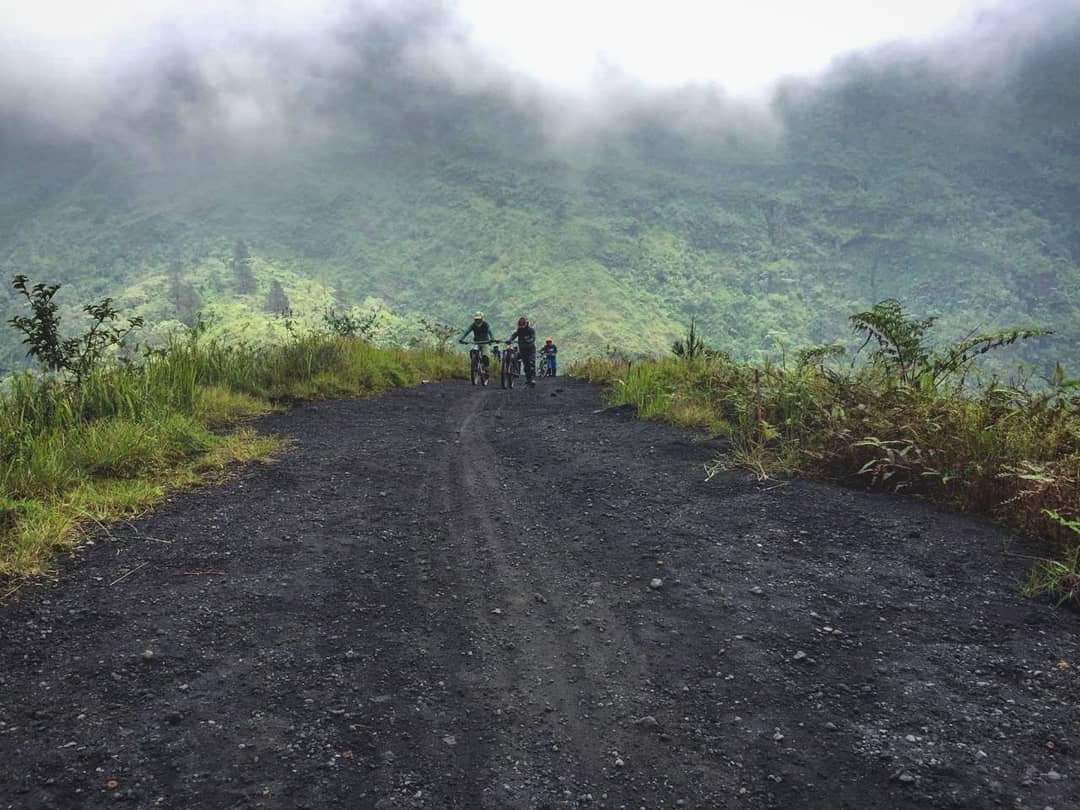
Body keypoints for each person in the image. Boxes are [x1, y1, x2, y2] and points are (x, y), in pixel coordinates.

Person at [505, 316, 537, 386]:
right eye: (521, 324)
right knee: (526, 365)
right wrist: (510, 340)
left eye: (523, 324)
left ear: (527, 323)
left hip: (531, 350)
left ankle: (533, 379)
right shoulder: (519, 330)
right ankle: (528, 380)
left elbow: (533, 338)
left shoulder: (531, 330)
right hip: (522, 350)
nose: (522, 326)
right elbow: (514, 335)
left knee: (531, 363)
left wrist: (528, 340)